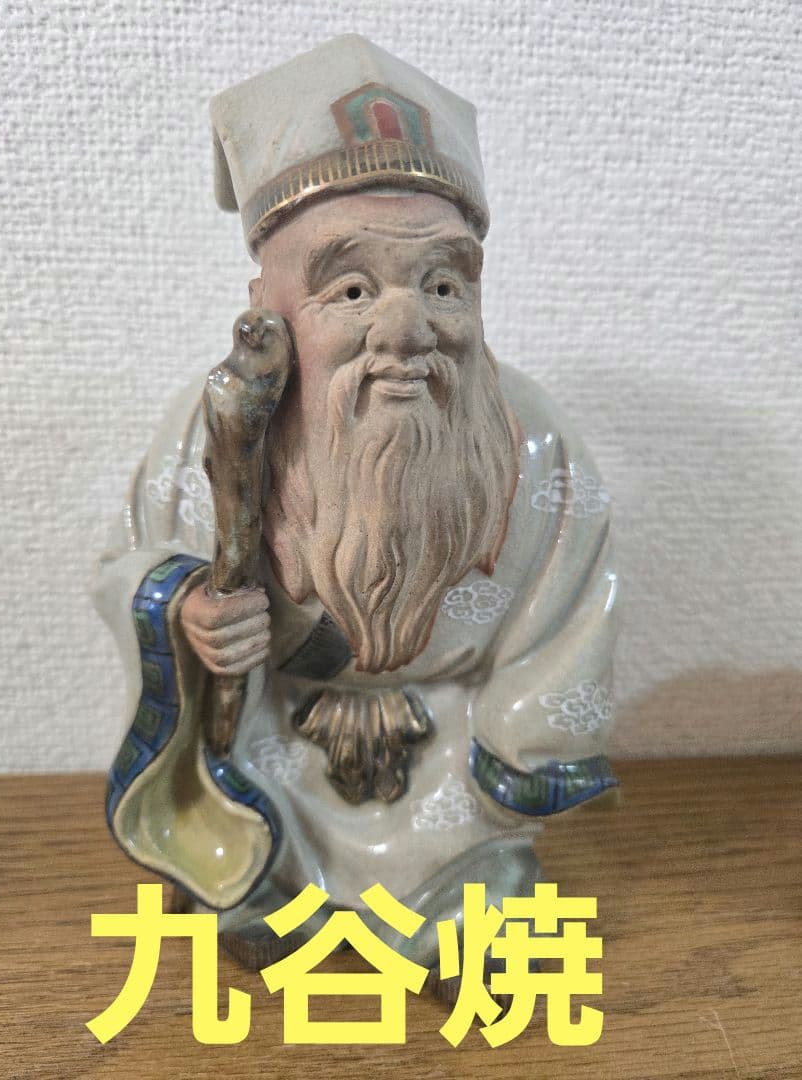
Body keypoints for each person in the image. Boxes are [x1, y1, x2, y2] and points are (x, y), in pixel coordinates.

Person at [94, 34, 619, 968]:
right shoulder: (213, 430)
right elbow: (130, 564)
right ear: (266, 307)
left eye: (442, 284)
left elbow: (570, 618)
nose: (405, 330)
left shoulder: (537, 446)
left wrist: (515, 753)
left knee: (469, 894)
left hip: (452, 771)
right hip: (273, 754)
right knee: (249, 875)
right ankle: (265, 887)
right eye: (350, 288)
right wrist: (187, 609)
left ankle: (452, 900)